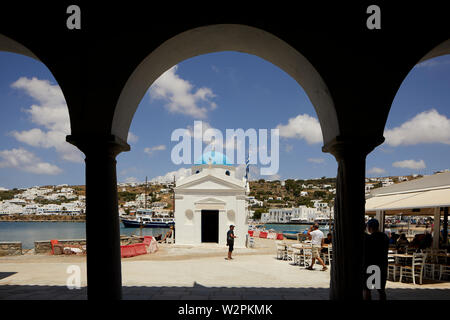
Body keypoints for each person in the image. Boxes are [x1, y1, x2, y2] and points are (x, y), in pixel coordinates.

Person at [363, 218, 389, 301]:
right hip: (382, 265)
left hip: (371, 266)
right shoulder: (385, 237)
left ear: (370, 227)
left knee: (367, 290)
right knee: (381, 290)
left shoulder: (370, 238)